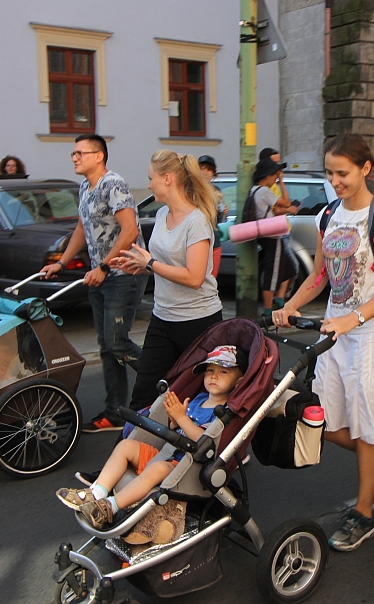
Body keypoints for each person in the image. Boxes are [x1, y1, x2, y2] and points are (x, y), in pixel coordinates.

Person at [273, 133, 374, 552]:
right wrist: (290, 305)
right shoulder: (328, 214)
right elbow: (320, 276)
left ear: (366, 168)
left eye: (342, 173)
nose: (335, 181)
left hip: (371, 334)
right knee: (326, 422)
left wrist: (355, 317)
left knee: (366, 428)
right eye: (330, 173)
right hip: (336, 334)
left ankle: (363, 515)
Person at [57, 345, 245, 529]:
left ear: (238, 381)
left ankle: (109, 507)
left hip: (186, 467)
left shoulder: (223, 413)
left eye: (223, 372)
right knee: (126, 446)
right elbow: (180, 430)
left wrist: (181, 418)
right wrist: (175, 421)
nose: (214, 376)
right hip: (168, 453)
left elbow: (204, 443)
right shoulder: (199, 399)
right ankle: (96, 493)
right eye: (210, 370)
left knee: (157, 468)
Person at [41, 135, 143, 433]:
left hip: (123, 274)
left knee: (117, 342)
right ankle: (115, 413)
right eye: (73, 153)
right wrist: (61, 262)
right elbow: (81, 228)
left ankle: (168, 381)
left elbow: (130, 231)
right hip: (100, 276)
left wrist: (103, 266)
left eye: (80, 153)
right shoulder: (85, 187)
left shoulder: (114, 184)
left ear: (99, 156)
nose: (74, 158)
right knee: (107, 347)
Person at [112, 150, 223, 411]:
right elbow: (166, 265)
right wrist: (140, 267)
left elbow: (194, 277)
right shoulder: (162, 214)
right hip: (163, 318)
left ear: (168, 178)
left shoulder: (197, 221)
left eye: (151, 178)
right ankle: (136, 438)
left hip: (197, 323)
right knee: (143, 396)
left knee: (196, 399)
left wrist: (150, 263)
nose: (149, 184)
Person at [247, 156, 299, 315]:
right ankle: (268, 310)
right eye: (274, 175)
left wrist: (287, 209)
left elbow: (274, 210)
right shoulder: (264, 191)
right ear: (266, 176)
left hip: (266, 234)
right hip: (272, 236)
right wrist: (281, 182)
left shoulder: (254, 190)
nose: (276, 177)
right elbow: (286, 202)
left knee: (289, 268)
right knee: (273, 271)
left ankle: (279, 300)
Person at [259, 148, 301, 305]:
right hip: (276, 231)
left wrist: (282, 182)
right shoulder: (267, 187)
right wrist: (289, 208)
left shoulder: (274, 184)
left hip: (283, 229)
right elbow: (277, 208)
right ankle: (276, 301)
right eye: (275, 163)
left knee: (286, 268)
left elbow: (284, 202)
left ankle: (279, 298)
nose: (278, 168)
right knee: (286, 268)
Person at [198, 155, 228, 279]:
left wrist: (222, 212)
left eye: (209, 169)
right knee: (198, 279)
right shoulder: (192, 190)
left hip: (214, 241)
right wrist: (212, 197)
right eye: (202, 168)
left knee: (211, 280)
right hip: (198, 241)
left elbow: (217, 220)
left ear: (213, 173)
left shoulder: (216, 190)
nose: (205, 172)